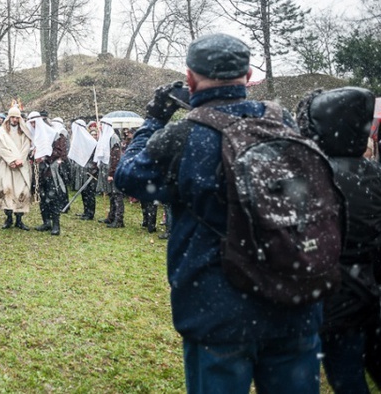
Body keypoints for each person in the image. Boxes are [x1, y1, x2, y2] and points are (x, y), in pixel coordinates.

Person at [114, 33, 323, 394]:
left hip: (217, 308)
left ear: (190, 79)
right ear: (246, 77)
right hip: (291, 296)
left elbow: (129, 176)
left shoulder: (183, 135)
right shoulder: (282, 121)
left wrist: (154, 118)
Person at [296, 87, 381, 394]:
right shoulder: (373, 173)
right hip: (370, 292)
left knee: (346, 377)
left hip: (336, 300)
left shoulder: (315, 176)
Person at [0, 106, 33, 230]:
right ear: (9, 118)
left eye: (17, 117)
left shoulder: (24, 130)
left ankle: (19, 220)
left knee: (22, 191)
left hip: (21, 166)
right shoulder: (1, 132)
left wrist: (20, 159)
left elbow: (26, 146)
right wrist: (11, 160)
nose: (15, 120)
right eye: (13, 117)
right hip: (7, 165)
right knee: (7, 190)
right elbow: (2, 148)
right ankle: (9, 218)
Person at [28, 111, 67, 236]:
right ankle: (46, 222)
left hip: (49, 171)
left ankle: (56, 225)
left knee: (52, 197)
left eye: (35, 123)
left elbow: (58, 151)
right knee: (42, 197)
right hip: (38, 171)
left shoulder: (52, 134)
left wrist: (44, 157)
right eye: (31, 123)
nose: (33, 125)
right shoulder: (33, 137)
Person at [96, 117, 125, 228]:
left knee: (117, 195)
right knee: (112, 194)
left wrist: (112, 173)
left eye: (101, 125)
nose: (100, 127)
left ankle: (119, 220)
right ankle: (111, 217)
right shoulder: (105, 137)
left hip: (114, 170)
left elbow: (115, 157)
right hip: (108, 169)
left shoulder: (113, 137)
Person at [67, 119, 98, 221]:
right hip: (82, 169)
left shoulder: (91, 141)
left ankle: (90, 213)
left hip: (89, 170)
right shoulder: (79, 140)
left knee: (89, 192)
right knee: (84, 192)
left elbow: (95, 157)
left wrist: (93, 168)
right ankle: (86, 211)